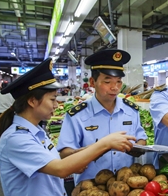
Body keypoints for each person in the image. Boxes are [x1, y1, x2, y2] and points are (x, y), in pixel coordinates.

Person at [0, 58, 135, 196]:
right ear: (33, 101)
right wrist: (104, 143)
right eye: (52, 99)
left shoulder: (38, 133)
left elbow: (61, 163)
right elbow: (60, 169)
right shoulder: (16, 138)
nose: (56, 104)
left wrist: (87, 156)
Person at [57, 49, 147, 185]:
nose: (115, 87)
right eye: (107, 81)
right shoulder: (77, 115)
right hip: (90, 188)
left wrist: (136, 147)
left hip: (125, 187)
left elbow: (141, 139)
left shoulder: (131, 110)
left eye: (118, 81)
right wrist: (96, 150)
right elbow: (64, 153)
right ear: (92, 82)